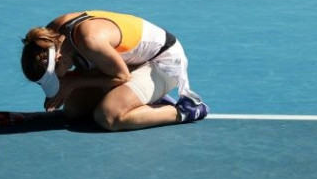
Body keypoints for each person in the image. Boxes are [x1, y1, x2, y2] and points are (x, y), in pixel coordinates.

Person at [21, 10, 208, 131]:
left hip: (163, 62)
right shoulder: (49, 36)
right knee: (75, 111)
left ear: (60, 60)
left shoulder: (90, 40)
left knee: (108, 117)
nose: (58, 81)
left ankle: (186, 111)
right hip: (129, 63)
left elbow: (122, 77)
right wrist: (67, 82)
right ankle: (144, 96)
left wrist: (74, 82)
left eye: (55, 77)